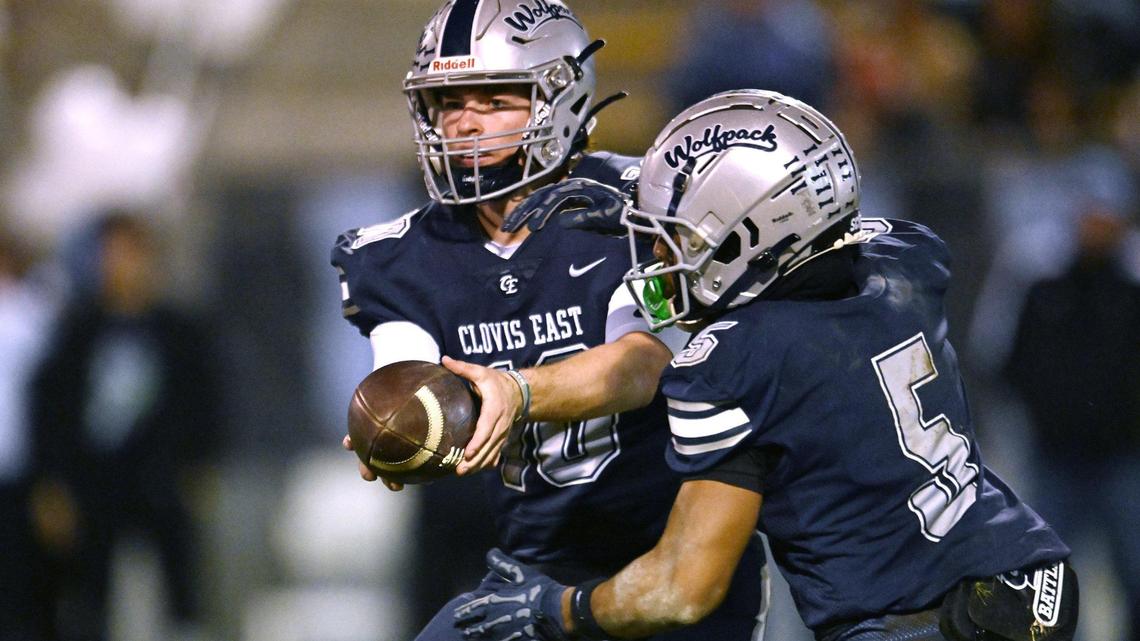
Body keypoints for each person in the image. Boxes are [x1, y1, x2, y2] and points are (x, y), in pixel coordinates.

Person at [453, 90, 1078, 641]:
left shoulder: (729, 362)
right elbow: (816, 236)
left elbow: (680, 589)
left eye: (685, 236)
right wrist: (633, 206)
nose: (659, 254)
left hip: (912, 623)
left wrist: (556, 609)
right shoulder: (909, 256)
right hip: (1030, 580)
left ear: (749, 233)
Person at [329, 2, 767, 640]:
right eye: (449, 101)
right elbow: (411, 378)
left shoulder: (643, 206)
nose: (465, 121)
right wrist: (394, 430)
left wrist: (518, 390)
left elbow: (642, 364)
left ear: (558, 98)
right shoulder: (397, 256)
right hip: (532, 567)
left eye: (493, 97)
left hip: (671, 553)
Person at [28, 212, 221, 641]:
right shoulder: (77, 331)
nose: (122, 264)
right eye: (112, 253)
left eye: (131, 252)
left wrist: (201, 465)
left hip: (162, 478)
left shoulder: (179, 330)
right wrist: (53, 482)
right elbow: (52, 409)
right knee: (91, 596)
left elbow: (205, 402)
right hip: (96, 483)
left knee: (179, 594)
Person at [1002, 206, 1140, 640]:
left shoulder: (1132, 295)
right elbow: (1011, 364)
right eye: (1088, 214)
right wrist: (1051, 416)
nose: (1095, 224)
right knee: (1047, 583)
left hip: (1123, 459)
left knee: (1135, 573)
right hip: (1055, 459)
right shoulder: (1045, 290)